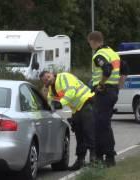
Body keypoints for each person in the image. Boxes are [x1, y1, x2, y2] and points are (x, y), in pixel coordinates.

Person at [39, 71, 95, 171]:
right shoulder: (52, 88)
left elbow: (71, 92)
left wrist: (60, 103)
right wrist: (45, 90)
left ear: (52, 74)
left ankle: (94, 159)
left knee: (89, 132)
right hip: (77, 108)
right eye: (45, 80)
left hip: (86, 102)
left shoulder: (63, 77)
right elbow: (49, 102)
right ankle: (80, 160)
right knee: (79, 134)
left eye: (48, 76)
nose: (48, 79)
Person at [88, 31, 120, 167]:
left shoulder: (99, 55)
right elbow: (123, 69)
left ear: (93, 41)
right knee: (103, 124)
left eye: (90, 43)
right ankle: (104, 155)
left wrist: (100, 84)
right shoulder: (112, 52)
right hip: (112, 91)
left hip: (104, 92)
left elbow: (107, 69)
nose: (90, 45)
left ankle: (107, 157)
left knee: (101, 125)